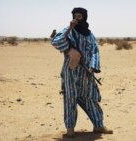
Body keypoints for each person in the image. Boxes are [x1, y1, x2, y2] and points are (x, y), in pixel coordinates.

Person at [51, 7, 113, 137]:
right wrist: (69, 30)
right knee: (70, 98)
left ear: (84, 17)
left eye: (79, 16)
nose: (76, 18)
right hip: (71, 71)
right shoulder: (68, 31)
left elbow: (95, 51)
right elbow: (56, 42)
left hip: (87, 72)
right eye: (75, 15)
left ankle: (98, 125)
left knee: (91, 97)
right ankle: (70, 129)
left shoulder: (90, 35)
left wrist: (93, 66)